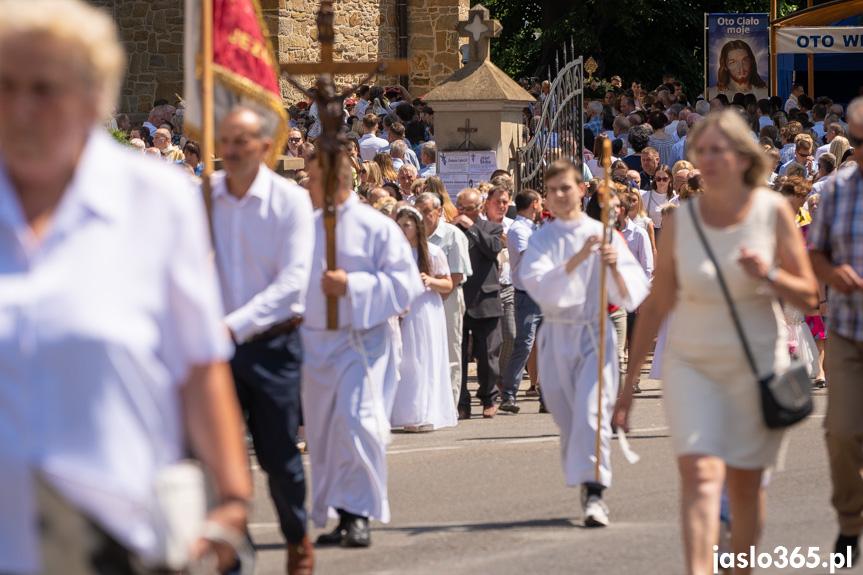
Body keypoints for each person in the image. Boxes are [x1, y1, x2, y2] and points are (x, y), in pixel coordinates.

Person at [0, 2, 251, 573]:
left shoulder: (153, 201)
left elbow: (199, 363)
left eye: (44, 88)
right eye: (5, 84)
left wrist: (233, 500)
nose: (20, 108)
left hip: (120, 534)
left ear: (92, 99)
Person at [615, 110, 818, 575]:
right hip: (693, 365)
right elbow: (658, 302)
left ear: (741, 157)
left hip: (756, 365)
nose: (706, 159)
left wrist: (767, 273)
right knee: (701, 480)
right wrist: (629, 383)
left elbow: (809, 296)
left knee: (745, 488)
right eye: (699, 151)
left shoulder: (771, 213)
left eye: (716, 150)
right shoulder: (682, 222)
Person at [210, 106, 316, 573]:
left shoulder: (288, 202)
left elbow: (292, 283)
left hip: (273, 347)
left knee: (279, 459)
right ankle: (234, 549)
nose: (231, 151)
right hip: (213, 349)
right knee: (214, 457)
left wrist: (233, 325)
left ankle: (296, 537)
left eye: (242, 142)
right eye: (226, 141)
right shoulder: (204, 198)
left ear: (265, 146)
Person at [302, 152, 423, 548]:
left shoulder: (376, 226)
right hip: (317, 343)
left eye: (313, 178)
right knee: (326, 432)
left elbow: (405, 286)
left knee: (358, 422)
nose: (307, 185)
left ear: (338, 179)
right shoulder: (306, 227)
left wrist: (352, 286)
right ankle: (340, 509)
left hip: (362, 343)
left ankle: (361, 512)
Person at [520, 159, 650, 527]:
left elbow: (632, 291)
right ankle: (585, 474)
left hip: (595, 332)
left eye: (567, 187)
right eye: (553, 190)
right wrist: (579, 258)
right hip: (557, 335)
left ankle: (595, 492)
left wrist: (612, 265)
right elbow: (538, 283)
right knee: (570, 418)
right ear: (546, 195)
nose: (560, 195)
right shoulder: (542, 237)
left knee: (593, 414)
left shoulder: (605, 232)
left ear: (581, 189)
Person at [808, 95, 863, 566]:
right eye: (857, 143)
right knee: (841, 432)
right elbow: (816, 253)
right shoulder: (836, 190)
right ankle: (851, 522)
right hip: (847, 330)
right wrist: (833, 276)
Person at [391, 205, 457, 432]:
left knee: (422, 357)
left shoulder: (432, 252)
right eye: (399, 225)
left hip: (425, 308)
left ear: (417, 227)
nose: (402, 229)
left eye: (406, 225)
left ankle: (424, 412)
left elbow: (448, 283)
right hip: (403, 307)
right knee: (404, 359)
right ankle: (405, 411)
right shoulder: (395, 253)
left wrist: (430, 280)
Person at [415, 192, 472, 406]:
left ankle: (450, 405)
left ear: (439, 211)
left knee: (450, 353)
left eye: (427, 212)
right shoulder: (414, 236)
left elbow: (456, 275)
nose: (423, 216)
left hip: (448, 299)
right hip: (423, 302)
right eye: (419, 212)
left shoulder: (453, 235)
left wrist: (438, 298)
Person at [454, 188, 504, 419]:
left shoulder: (491, 228)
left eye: (469, 208)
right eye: (460, 208)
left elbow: (493, 248)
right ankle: (461, 402)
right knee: (458, 356)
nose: (463, 212)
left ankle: (488, 397)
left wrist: (471, 227)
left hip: (486, 299)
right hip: (458, 300)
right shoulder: (451, 231)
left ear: (480, 207)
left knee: (488, 356)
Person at [499, 189, 545, 413]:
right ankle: (508, 393)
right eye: (540, 202)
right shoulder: (519, 229)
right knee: (525, 344)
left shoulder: (534, 227)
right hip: (527, 295)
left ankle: (547, 396)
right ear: (534, 204)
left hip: (544, 293)